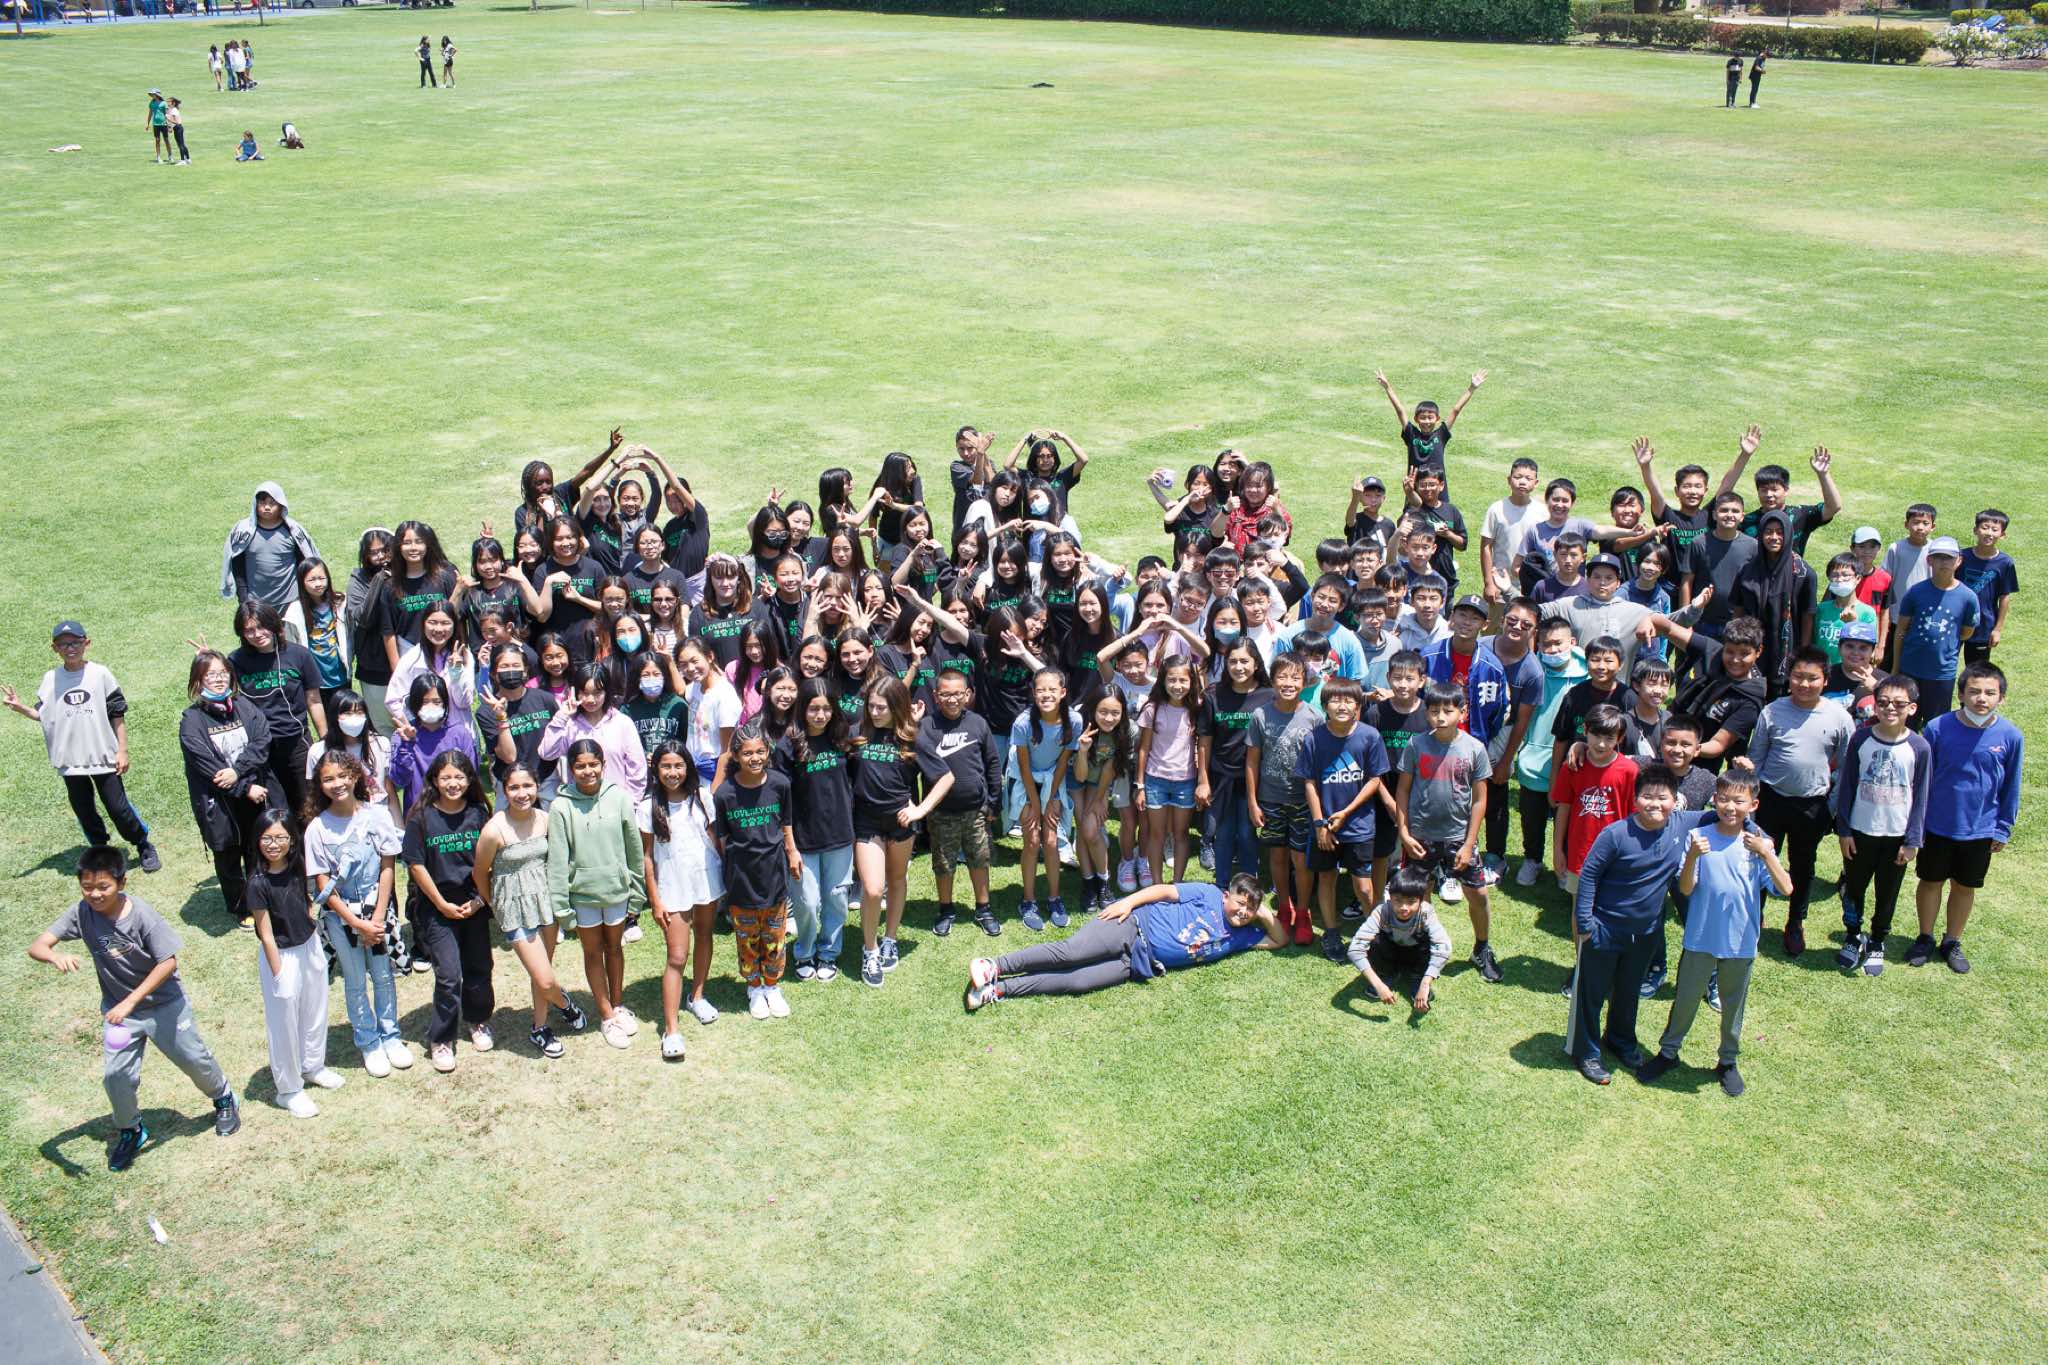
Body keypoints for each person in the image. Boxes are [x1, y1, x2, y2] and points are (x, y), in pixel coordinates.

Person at [28, 848, 240, 1172]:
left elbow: (168, 963)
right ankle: (131, 1130)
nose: (94, 894)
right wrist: (55, 956)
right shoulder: (81, 913)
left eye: (103, 887)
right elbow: (37, 946)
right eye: (87, 887)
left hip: (164, 1005)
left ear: (122, 882)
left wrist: (130, 1001)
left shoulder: (142, 915)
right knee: (116, 1076)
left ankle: (223, 1097)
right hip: (121, 1015)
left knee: (194, 1060)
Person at [1636, 767, 1791, 1097]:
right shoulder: (1699, 838)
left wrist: (1766, 853)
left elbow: (1786, 888)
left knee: (1733, 1004)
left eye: (1738, 801)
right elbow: (1686, 888)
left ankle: (1728, 1061)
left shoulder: (1757, 845)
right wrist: (1693, 855)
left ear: (1753, 805)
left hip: (1740, 943)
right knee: (1685, 999)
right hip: (1700, 938)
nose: (1730, 807)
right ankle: (1668, 1053)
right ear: (1714, 800)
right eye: (1723, 799)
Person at [1568, 764, 1704, 1085]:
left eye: (1662, 798)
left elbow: (1724, 815)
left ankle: (1620, 1039)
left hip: (1645, 934)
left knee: (1629, 992)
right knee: (1592, 993)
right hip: (1604, 929)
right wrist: (1585, 923)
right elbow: (1589, 875)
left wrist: (1755, 831)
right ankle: (1586, 1052)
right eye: (1647, 797)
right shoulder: (1615, 835)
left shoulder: (1682, 824)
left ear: (1675, 801)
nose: (1654, 804)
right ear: (1635, 799)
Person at [963, 875, 1284, 1009]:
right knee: (1072, 952)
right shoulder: (1209, 894)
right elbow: (1164, 890)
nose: (1243, 912)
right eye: (1240, 903)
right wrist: (1128, 903)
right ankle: (993, 965)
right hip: (1131, 925)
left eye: (1250, 909)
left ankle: (998, 990)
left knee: (1077, 982)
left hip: (1137, 962)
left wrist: (1263, 913)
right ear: (1227, 895)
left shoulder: (1242, 936)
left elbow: (1279, 939)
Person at [4, 621, 160, 873]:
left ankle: (143, 844)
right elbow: (44, 715)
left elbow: (117, 713)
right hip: (70, 760)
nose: (70, 648)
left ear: (86, 643)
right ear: (55, 648)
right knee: (84, 809)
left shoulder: (100, 674)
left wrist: (122, 750)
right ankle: (101, 850)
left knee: (118, 808)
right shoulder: (51, 679)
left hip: (103, 755)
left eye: (75, 642)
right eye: (63, 644)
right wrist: (20, 707)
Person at [1908, 663, 2021, 975]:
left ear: (2001, 697)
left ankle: (1952, 941)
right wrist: (1916, 823)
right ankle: (1925, 937)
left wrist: (2003, 828)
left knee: (1964, 886)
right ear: (1960, 695)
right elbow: (1921, 780)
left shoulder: (2010, 736)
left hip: (1980, 829)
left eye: (1989, 693)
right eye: (1974, 691)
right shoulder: (1937, 728)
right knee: (1930, 881)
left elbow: (2011, 785)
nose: (1981, 698)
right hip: (1937, 824)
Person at [1740, 647, 1853, 957]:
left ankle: (1795, 922)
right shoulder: (1772, 711)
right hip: (1771, 799)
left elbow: (1846, 768)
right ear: (1789, 677)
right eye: (1798, 677)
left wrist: (1830, 807)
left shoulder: (1839, 718)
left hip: (1812, 805)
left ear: (1825, 680)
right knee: (1761, 859)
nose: (1804, 684)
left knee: (1803, 866)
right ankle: (1754, 916)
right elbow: (1756, 757)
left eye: (1812, 678)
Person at [304, 751, 411, 1074]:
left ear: (355, 777)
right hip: (341, 919)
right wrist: (354, 922)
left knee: (383, 975)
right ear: (319, 784)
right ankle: (368, 1041)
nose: (337, 784)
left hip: (376, 913)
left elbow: (388, 867)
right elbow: (322, 882)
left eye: (342, 776)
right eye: (328, 779)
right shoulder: (317, 829)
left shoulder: (377, 816)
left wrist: (376, 919)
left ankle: (390, 1035)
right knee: (354, 980)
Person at [473, 764, 585, 1060]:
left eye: (527, 786)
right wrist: (494, 904)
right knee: (545, 979)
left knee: (542, 971)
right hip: (513, 908)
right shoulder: (494, 829)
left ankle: (539, 1028)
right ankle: (564, 1004)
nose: (522, 793)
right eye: (514, 788)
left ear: (537, 787)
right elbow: (479, 872)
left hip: (545, 902)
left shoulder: (546, 820)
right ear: (503, 791)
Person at [1395, 682, 1499, 982]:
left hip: (1458, 838)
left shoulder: (1474, 748)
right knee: (1420, 893)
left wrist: (1469, 843)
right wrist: (1404, 833)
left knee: (1477, 894)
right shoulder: (1416, 745)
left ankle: (1481, 948)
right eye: (1433, 711)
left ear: (1462, 713)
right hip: (1420, 837)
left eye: (1448, 711)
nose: (1440, 717)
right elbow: (1403, 790)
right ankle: (1424, 946)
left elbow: (1479, 800)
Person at [546, 739, 646, 1047]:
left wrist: (637, 892)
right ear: (571, 769)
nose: (588, 771)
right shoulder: (561, 806)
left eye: (593, 764)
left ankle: (617, 1005)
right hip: (583, 895)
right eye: (580, 766)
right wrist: (561, 907)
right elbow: (557, 859)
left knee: (614, 948)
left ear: (603, 765)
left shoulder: (619, 798)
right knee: (592, 952)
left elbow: (634, 848)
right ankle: (606, 1016)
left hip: (616, 890)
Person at [403, 752, 495, 1073]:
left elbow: (491, 862)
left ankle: (477, 1019)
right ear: (434, 780)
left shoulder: (479, 814)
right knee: (449, 975)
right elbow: (416, 865)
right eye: (446, 777)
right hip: (437, 907)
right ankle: (441, 1038)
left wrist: (480, 901)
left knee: (479, 966)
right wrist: (441, 904)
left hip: (474, 904)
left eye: (459, 777)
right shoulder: (421, 818)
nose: (453, 783)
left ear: (470, 780)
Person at [1833, 676, 1930, 976]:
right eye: (1884, 702)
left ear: (1912, 708)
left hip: (1896, 836)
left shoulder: (1919, 747)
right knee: (1854, 889)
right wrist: (1844, 831)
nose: (1890, 708)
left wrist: (1912, 841)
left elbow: (1921, 797)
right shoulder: (1861, 739)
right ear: (1875, 705)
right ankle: (1853, 935)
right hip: (1860, 832)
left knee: (1887, 893)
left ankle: (1877, 940)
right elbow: (1847, 786)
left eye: (1899, 704)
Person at [245, 813, 341, 1119]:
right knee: (283, 1022)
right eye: (267, 838)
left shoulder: (298, 867)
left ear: (291, 840)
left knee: (315, 1009)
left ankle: (313, 1066)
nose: (273, 845)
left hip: (309, 946)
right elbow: (266, 934)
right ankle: (288, 1090)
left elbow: (305, 901)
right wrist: (278, 973)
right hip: (282, 956)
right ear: (257, 841)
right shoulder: (257, 883)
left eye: (280, 838)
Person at [850, 678, 942, 988]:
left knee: (897, 880)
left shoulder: (912, 738)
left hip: (901, 822)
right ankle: (870, 950)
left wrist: (921, 809)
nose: (875, 712)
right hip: (866, 821)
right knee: (873, 889)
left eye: (882, 708)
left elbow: (945, 777)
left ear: (897, 707)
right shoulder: (857, 734)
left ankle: (890, 938)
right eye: (871, 706)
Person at [1297, 677, 1389, 964]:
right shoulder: (1314, 738)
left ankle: (1375, 935)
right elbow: (1309, 783)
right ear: (1325, 705)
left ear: (1358, 705)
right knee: (1326, 878)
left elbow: (1374, 780)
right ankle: (1331, 932)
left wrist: (1346, 812)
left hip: (1359, 825)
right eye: (1335, 700)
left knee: (1364, 886)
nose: (1342, 706)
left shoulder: (1370, 736)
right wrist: (1319, 824)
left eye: (1349, 700)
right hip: (1324, 827)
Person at [178, 651, 273, 922]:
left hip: (253, 795)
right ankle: (241, 907)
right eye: (211, 675)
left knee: (256, 849)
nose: (219, 680)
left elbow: (262, 741)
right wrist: (243, 788)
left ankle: (262, 898)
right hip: (218, 802)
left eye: (223, 673)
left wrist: (238, 772)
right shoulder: (192, 721)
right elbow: (208, 768)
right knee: (228, 856)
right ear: (198, 681)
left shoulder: (244, 706)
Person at [712, 722, 800, 1017]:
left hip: (774, 874)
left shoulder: (780, 784)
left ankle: (772, 986)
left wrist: (792, 852)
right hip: (741, 879)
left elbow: (786, 823)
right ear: (736, 756)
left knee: (775, 937)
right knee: (747, 939)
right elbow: (723, 839)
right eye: (747, 753)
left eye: (760, 751)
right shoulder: (725, 794)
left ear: (768, 752)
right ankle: (754, 988)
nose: (755, 758)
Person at [916, 667, 1002, 938]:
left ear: (968, 694)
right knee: (943, 863)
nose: (952, 700)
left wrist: (993, 802)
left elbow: (992, 763)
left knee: (980, 860)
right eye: (945, 694)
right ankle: (946, 909)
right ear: (936, 696)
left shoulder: (978, 723)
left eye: (957, 694)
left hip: (975, 810)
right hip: (941, 812)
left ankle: (983, 908)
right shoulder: (926, 727)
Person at [776, 683, 851, 984]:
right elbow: (781, 800)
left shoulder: (842, 739)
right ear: (802, 709)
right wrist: (790, 846)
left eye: (826, 708)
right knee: (806, 902)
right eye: (814, 708)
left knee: (837, 898)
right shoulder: (787, 746)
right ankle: (804, 951)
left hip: (839, 835)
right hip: (803, 839)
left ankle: (829, 952)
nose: (820, 715)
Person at [1550, 705, 1637, 901]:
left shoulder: (1629, 771)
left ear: (1620, 738)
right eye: (1596, 735)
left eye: (1609, 738)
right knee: (1579, 906)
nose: (1601, 744)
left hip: (1615, 856)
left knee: (1609, 907)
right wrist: (1558, 850)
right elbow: (1563, 809)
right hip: (1579, 854)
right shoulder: (1571, 767)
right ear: (1585, 730)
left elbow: (1634, 817)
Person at [1346, 865, 1453, 1016]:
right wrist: (1378, 985)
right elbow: (1355, 949)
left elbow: (1443, 948)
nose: (1404, 907)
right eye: (1398, 900)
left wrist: (1426, 983)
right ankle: (1388, 974)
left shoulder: (1426, 912)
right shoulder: (1382, 911)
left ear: (1421, 900)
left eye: (1411, 901)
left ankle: (1417, 977)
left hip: (1417, 953)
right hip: (1391, 951)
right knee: (1374, 940)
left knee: (1431, 942)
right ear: (1390, 897)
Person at [1894, 536, 1979, 723]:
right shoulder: (1915, 592)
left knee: (1936, 724)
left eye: (1949, 557)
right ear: (1929, 560)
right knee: (1905, 722)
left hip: (1941, 673)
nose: (1943, 562)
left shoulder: (1968, 597)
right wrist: (1895, 668)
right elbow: (1901, 629)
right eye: (1938, 557)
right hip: (1910, 669)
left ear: (1959, 561)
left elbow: (1966, 632)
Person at [1373, 368, 1486, 483]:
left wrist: (1472, 388)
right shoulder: (1411, 434)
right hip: (1415, 487)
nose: (1426, 421)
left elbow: (1456, 410)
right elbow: (1400, 411)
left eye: (1430, 418)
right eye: (1422, 418)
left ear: (1437, 419)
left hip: (1437, 488)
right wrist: (1387, 387)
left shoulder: (1441, 435)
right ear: (1416, 419)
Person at [219, 482, 320, 610]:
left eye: (272, 503)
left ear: (281, 505)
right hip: (256, 604)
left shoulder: (292, 531)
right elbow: (238, 567)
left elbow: (304, 563)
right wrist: (244, 599)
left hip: (291, 602)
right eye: (262, 502)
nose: (267, 507)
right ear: (255, 504)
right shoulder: (244, 532)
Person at [1956, 509, 2015, 666]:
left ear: (2002, 535)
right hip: (1956, 620)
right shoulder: (1961, 557)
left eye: (1995, 529)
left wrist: (1997, 629)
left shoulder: (2005, 563)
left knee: (1977, 670)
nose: (1989, 533)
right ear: (1975, 530)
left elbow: (2005, 597)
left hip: (1983, 625)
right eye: (1985, 527)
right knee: (1945, 664)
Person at [147, 88, 172, 163]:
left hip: (163, 124)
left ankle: (170, 156)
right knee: (157, 140)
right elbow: (150, 114)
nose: (152, 96)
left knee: (166, 140)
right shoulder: (151, 103)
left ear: (157, 95)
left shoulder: (164, 103)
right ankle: (158, 157)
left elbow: (167, 114)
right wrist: (147, 124)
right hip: (155, 124)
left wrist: (169, 125)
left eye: (153, 94)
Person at [166, 98, 190, 165]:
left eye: (169, 101)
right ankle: (188, 159)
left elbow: (177, 122)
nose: (167, 103)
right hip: (177, 128)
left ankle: (183, 160)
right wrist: (170, 126)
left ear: (173, 103)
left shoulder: (174, 110)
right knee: (181, 144)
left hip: (178, 128)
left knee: (181, 145)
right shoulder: (172, 110)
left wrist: (168, 119)